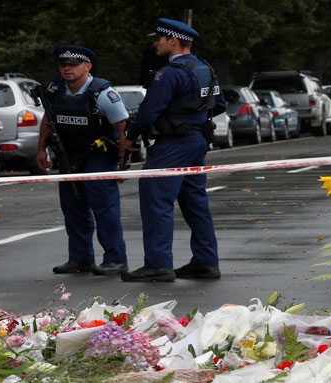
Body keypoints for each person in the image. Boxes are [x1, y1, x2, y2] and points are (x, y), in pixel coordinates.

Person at [120, 18, 226, 283]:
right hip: (197, 141)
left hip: (172, 144)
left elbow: (149, 111)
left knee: (157, 201)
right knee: (195, 202)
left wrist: (130, 137)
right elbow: (220, 104)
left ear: (173, 41)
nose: (156, 43)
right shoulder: (205, 68)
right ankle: (205, 261)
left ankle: (157, 264)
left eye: (159, 39)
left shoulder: (168, 73)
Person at [37, 46, 130, 276]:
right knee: (73, 208)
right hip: (68, 155)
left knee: (105, 210)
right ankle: (80, 259)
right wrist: (40, 150)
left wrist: (122, 164)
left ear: (87, 67)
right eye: (62, 65)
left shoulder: (103, 93)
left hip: (98, 156)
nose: (66, 69)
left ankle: (116, 259)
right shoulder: (55, 89)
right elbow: (48, 119)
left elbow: (123, 129)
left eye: (73, 65)